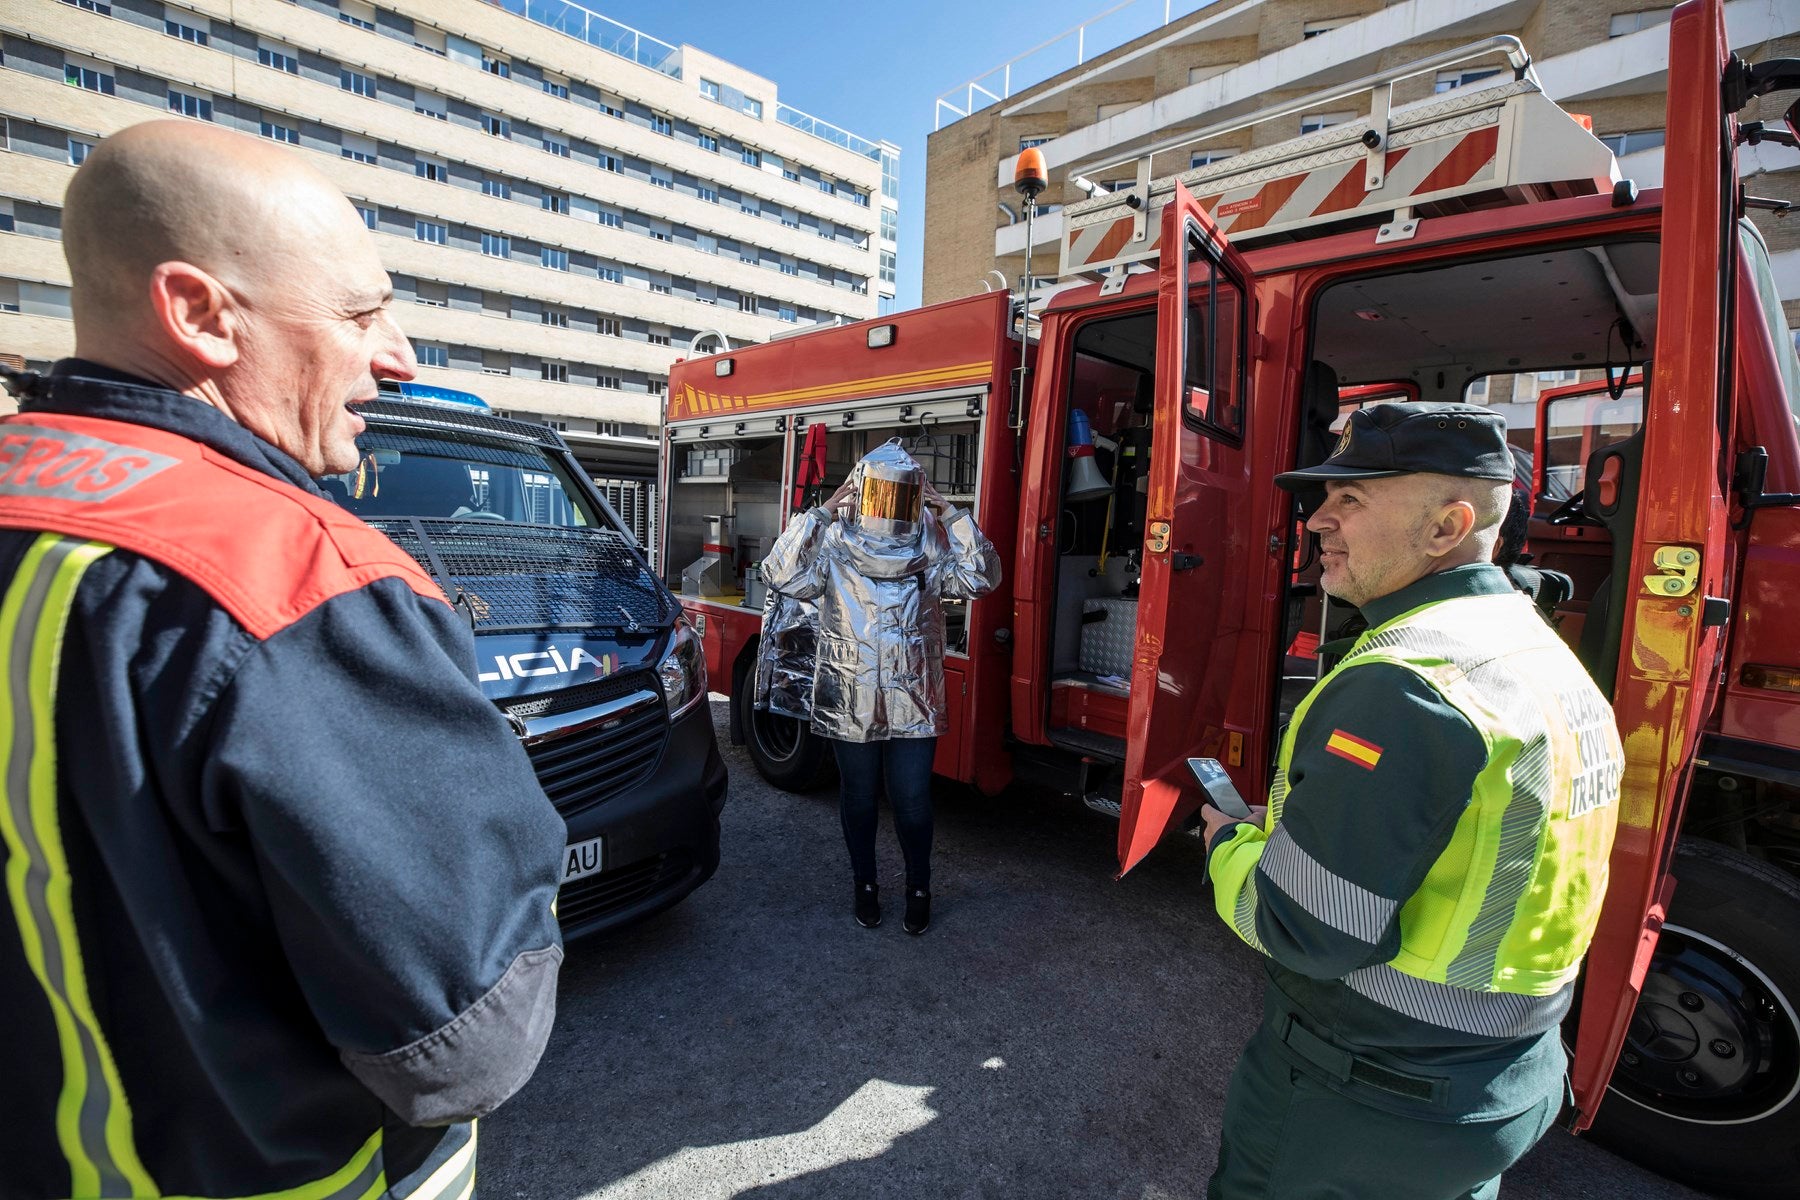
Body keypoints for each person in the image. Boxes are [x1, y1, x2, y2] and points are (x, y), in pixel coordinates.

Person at [0, 120, 567, 1198]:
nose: (397, 356)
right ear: (201, 314)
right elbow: (467, 1040)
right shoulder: (297, 572)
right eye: (361, 314)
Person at [1199, 403, 1625, 1200]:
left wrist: (1229, 844)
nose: (1318, 520)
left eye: (1352, 499)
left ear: (1446, 528)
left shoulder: (1407, 683)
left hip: (1366, 1097)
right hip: (1496, 1085)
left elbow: (1307, 928)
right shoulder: (1531, 648)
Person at [758, 440, 1001, 934]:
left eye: (901, 496)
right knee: (860, 797)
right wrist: (823, 512)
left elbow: (981, 577)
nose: (888, 509)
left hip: (913, 698)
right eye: (878, 495)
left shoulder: (931, 543)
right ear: (861, 493)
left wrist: (951, 513)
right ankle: (864, 884)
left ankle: (918, 887)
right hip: (853, 695)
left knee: (911, 799)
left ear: (915, 496)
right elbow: (779, 573)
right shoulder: (834, 545)